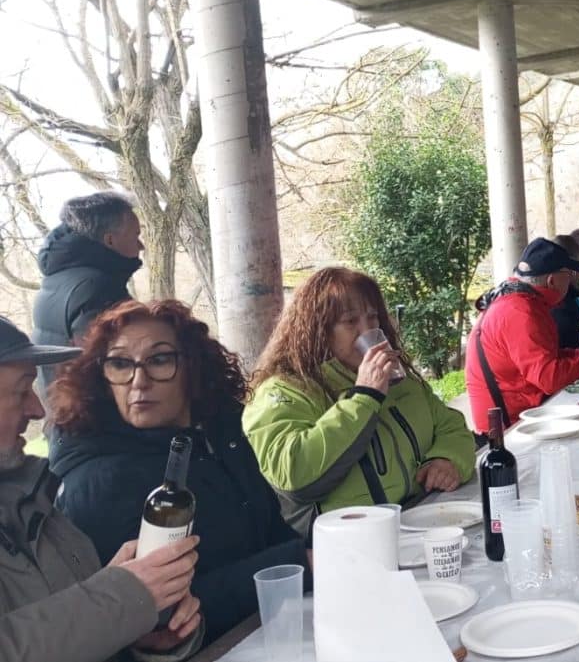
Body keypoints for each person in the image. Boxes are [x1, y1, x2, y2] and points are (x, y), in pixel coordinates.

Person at [48, 301, 307, 644]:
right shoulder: (99, 482)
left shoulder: (219, 435)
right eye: (120, 363)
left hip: (272, 627)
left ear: (193, 367)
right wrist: (299, 561)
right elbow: (167, 615)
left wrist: (315, 552)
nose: (138, 381)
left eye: (159, 360)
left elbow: (271, 528)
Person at [0, 315, 204, 662]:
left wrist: (143, 633)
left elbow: (81, 629)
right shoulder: (89, 480)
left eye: (160, 360)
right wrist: (125, 596)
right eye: (21, 390)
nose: (36, 409)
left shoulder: (38, 498)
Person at [243, 268, 476, 531]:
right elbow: (293, 472)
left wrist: (447, 459)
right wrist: (364, 396)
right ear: (317, 330)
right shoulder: (284, 391)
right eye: (350, 321)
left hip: (421, 520)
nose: (367, 331)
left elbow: (451, 426)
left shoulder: (398, 379)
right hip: (350, 543)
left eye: (373, 317)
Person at [466, 239, 579, 430]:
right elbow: (549, 378)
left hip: (524, 410)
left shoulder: (520, 300)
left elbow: (548, 357)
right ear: (552, 280)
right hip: (510, 428)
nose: (573, 279)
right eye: (569, 274)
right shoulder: (520, 311)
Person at [32, 192, 144, 404]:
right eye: (136, 236)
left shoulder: (58, 279)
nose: (141, 246)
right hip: (96, 424)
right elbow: (114, 368)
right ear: (110, 240)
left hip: (64, 419)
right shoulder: (99, 288)